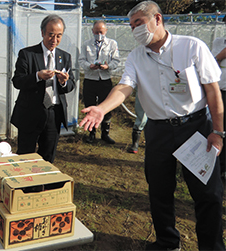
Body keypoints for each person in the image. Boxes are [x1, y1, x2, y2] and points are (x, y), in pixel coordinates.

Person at [79, 1, 225, 250]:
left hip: (195, 127)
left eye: (139, 23)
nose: (135, 29)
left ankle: (211, 246)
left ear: (157, 19)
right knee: (159, 190)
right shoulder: (136, 56)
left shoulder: (191, 46)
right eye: (131, 25)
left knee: (207, 194)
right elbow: (125, 86)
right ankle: (167, 242)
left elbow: (212, 91)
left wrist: (218, 132)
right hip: (158, 131)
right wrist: (102, 108)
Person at [10, 14, 75, 163]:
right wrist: (37, 76)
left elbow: (71, 85)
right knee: (25, 155)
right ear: (42, 33)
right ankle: (25, 184)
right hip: (30, 112)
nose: (54, 40)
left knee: (48, 155)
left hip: (54, 113)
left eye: (59, 36)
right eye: (50, 35)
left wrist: (64, 82)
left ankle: (43, 185)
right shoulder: (28, 54)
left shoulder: (64, 57)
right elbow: (17, 81)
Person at [79, 20, 120, 144]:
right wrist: (89, 66)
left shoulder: (112, 44)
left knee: (106, 106)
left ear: (106, 31)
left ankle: (105, 134)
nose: (99, 34)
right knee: (90, 105)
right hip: (90, 80)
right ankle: (91, 134)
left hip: (105, 79)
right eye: (96, 32)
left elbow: (116, 61)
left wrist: (108, 67)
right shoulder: (86, 44)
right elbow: (81, 61)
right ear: (92, 31)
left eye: (101, 32)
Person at [211, 17, 226, 180]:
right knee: (218, 130)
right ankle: (218, 167)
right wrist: (220, 55)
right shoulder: (218, 42)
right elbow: (211, 64)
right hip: (219, 92)